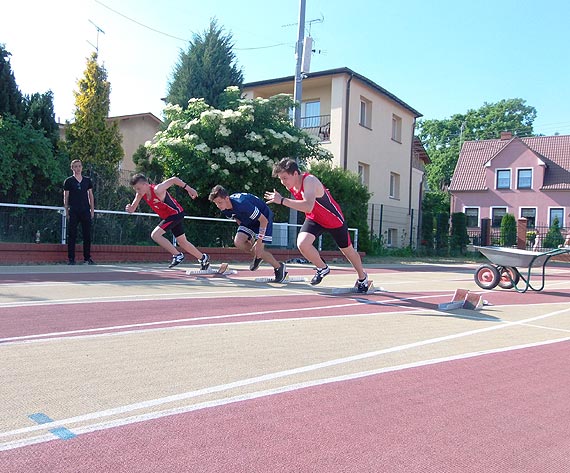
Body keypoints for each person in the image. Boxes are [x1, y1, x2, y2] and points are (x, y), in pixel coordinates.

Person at [264, 158, 369, 292]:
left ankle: (362, 277)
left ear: (295, 173)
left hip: (333, 220)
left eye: (285, 178)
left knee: (348, 251)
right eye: (280, 179)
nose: (283, 182)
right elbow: (309, 209)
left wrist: (282, 200)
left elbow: (308, 206)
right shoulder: (293, 186)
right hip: (315, 218)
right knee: (302, 243)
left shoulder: (309, 180)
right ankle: (322, 268)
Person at [126, 174, 210, 269]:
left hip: (175, 214)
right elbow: (132, 209)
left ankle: (178, 255)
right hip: (170, 217)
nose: (137, 191)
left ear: (145, 185)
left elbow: (174, 179)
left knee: (155, 235)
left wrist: (189, 189)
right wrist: (129, 209)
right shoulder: (140, 194)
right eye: (136, 189)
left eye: (138, 188)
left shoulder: (158, 189)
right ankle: (203, 258)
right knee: (182, 242)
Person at [209, 185, 287, 283]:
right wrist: (247, 237)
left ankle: (279, 267)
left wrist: (259, 241)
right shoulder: (225, 209)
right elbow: (237, 218)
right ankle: (257, 256)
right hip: (248, 220)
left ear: (227, 198)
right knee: (238, 242)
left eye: (220, 202)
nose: (218, 206)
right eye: (216, 203)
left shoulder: (242, 204)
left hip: (263, 219)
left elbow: (263, 220)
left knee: (258, 249)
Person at [63, 159, 95, 265]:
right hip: (74, 210)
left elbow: (90, 195)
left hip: (85, 210)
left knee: (87, 235)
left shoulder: (87, 180)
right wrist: (66, 210)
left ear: (82, 167)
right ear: (72, 168)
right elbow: (66, 197)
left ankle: (87, 258)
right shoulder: (68, 181)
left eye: (79, 166)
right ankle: (71, 258)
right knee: (72, 234)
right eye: (75, 166)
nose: (78, 168)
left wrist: (92, 210)